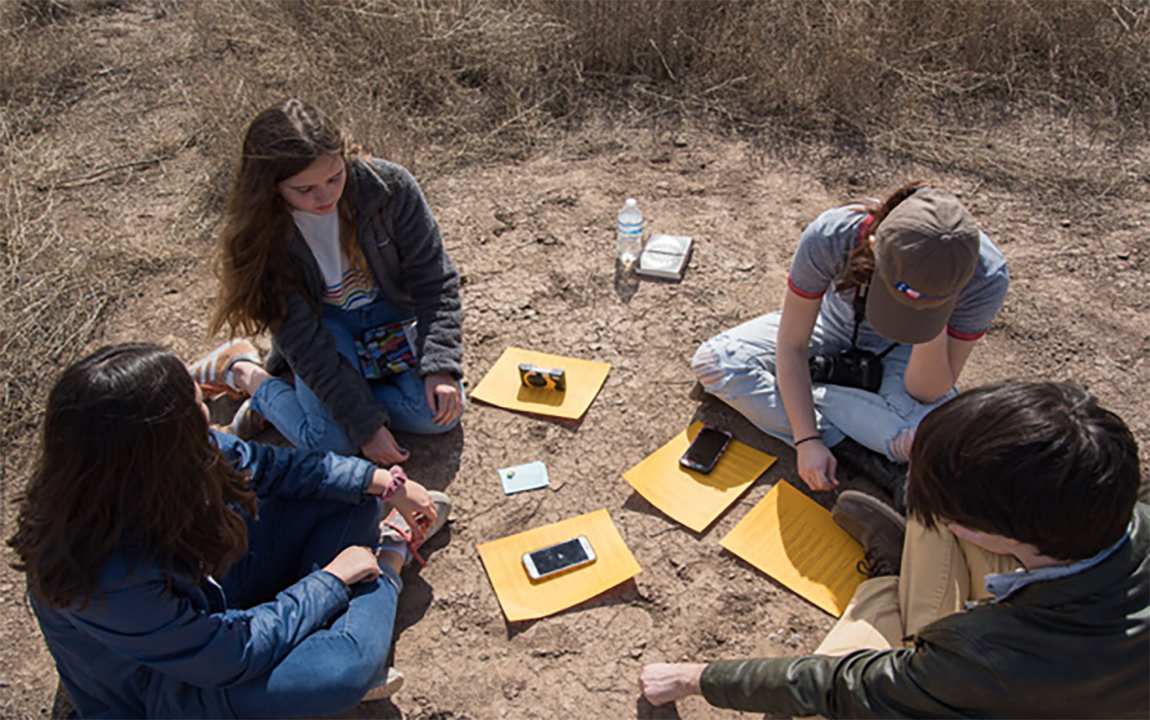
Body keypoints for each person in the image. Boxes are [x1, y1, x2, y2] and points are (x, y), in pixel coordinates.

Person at [638, 381, 1150, 718]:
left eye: (955, 519)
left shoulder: (986, 656)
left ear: (1010, 538)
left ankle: (890, 580)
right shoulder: (1101, 505)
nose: (944, 518)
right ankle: (902, 569)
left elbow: (839, 685)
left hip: (993, 688)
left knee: (849, 686)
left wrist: (696, 677)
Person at [9, 343, 452, 719]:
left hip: (218, 593)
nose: (206, 407)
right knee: (344, 668)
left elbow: (270, 466)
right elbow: (226, 653)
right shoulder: (103, 576)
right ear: (156, 444)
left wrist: (380, 482)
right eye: (198, 406)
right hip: (177, 689)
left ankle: (340, 617)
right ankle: (389, 556)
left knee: (350, 493)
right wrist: (330, 581)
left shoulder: (141, 466)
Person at [690, 183, 1008, 507]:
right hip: (831, 329)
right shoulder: (833, 234)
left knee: (939, 444)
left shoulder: (987, 275)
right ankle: (861, 452)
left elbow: (927, 389)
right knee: (715, 363)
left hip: (905, 355)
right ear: (872, 246)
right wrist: (807, 439)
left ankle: (802, 390)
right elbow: (792, 343)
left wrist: (932, 318)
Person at [198, 98, 464, 465]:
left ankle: (310, 397)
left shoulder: (390, 188)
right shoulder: (261, 236)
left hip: (389, 313)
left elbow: (435, 281)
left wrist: (440, 366)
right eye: (303, 189)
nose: (325, 196)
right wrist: (365, 426)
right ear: (270, 186)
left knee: (436, 414)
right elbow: (305, 342)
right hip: (325, 329)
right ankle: (246, 374)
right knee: (334, 443)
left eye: (334, 177)